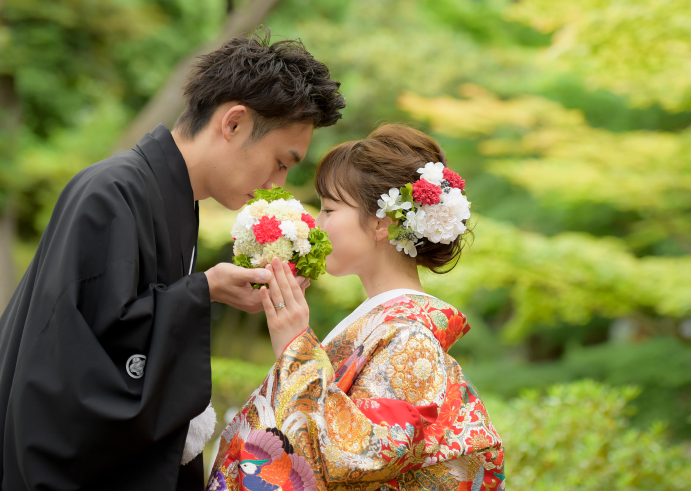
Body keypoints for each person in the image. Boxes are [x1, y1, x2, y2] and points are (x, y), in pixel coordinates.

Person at [0, 33, 345, 491]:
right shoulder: (112, 193)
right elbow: (73, 358)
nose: (275, 184)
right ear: (234, 123)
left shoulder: (175, 201)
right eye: (282, 162)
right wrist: (203, 290)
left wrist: (208, 289)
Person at [209, 124, 505, 491]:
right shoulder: (388, 322)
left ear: (381, 223)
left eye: (329, 209)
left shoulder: (409, 336)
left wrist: (297, 349)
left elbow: (360, 455)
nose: (318, 224)